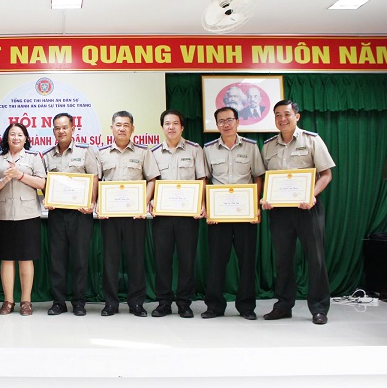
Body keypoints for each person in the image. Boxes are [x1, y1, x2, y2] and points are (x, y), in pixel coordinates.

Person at [261, 99, 335, 325]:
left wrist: (311, 195)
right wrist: (265, 197)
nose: (282, 119)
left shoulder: (312, 140)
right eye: (277, 115)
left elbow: (326, 175)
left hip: (308, 208)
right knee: (283, 260)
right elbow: (266, 179)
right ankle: (284, 305)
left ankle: (319, 308)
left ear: (297, 116)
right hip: (279, 212)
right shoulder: (268, 146)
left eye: (287, 114)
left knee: (316, 258)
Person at [201, 106, 265, 320]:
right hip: (218, 215)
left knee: (246, 261)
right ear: (216, 125)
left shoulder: (251, 147)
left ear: (237, 122)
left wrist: (255, 206)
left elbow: (258, 177)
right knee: (216, 261)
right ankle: (214, 306)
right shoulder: (208, 149)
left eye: (229, 120)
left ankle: (246, 307)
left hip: (245, 214)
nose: (226, 124)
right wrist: (208, 207)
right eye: (221, 121)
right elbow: (205, 180)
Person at [97, 111, 159, 317]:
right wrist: (98, 205)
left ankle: (137, 303)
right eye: (118, 125)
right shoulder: (102, 153)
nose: (122, 128)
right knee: (110, 261)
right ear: (111, 128)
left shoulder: (143, 152)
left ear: (132, 128)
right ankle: (110, 303)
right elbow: (96, 182)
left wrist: (143, 204)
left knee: (136, 259)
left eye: (126, 125)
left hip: (135, 216)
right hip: (110, 216)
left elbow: (152, 179)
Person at [41, 113, 99, 316]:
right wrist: (47, 198)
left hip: (80, 214)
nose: (61, 131)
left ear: (73, 128)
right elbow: (45, 182)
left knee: (80, 260)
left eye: (65, 127)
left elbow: (93, 177)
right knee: (57, 259)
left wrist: (91, 202)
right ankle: (58, 302)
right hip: (57, 214)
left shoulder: (85, 151)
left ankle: (79, 302)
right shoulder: (47, 155)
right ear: (53, 131)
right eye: (57, 128)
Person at [150, 110, 207, 318]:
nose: (171, 127)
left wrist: (201, 204)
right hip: (162, 216)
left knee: (187, 259)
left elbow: (201, 179)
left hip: (187, 215)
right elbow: (152, 181)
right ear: (162, 127)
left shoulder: (195, 149)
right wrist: (150, 200)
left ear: (182, 127)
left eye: (175, 123)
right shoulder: (153, 152)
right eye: (167, 123)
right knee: (162, 260)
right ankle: (163, 302)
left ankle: (184, 302)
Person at [0, 122, 46, 316]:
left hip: (28, 213)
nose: (16, 138)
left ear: (26, 138)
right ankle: (8, 301)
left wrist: (20, 175)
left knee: (26, 258)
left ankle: (26, 301)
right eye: (12, 134)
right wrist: (4, 179)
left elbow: (42, 183)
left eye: (20, 134)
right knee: (7, 258)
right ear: (7, 137)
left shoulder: (34, 157)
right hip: (5, 213)